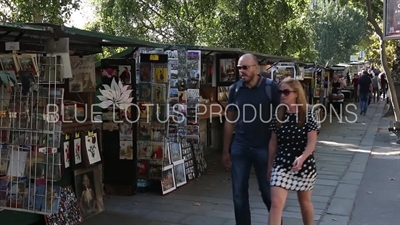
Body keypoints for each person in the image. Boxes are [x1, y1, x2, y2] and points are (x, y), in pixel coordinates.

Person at [223, 54, 281, 225]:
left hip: (264, 147)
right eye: (239, 68)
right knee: (239, 194)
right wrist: (225, 150)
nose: (242, 71)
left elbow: (280, 119)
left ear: (256, 68)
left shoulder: (271, 88)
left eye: (245, 67)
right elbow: (230, 120)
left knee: (267, 193)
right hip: (240, 147)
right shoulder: (235, 89)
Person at [268, 77, 319, 225]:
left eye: (286, 92)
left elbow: (311, 142)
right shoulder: (278, 114)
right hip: (282, 163)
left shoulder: (308, 113)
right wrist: (270, 165)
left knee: (305, 203)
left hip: (304, 165)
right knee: (276, 203)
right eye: (280, 92)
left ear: (296, 93)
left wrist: (302, 158)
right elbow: (273, 142)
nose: (282, 95)